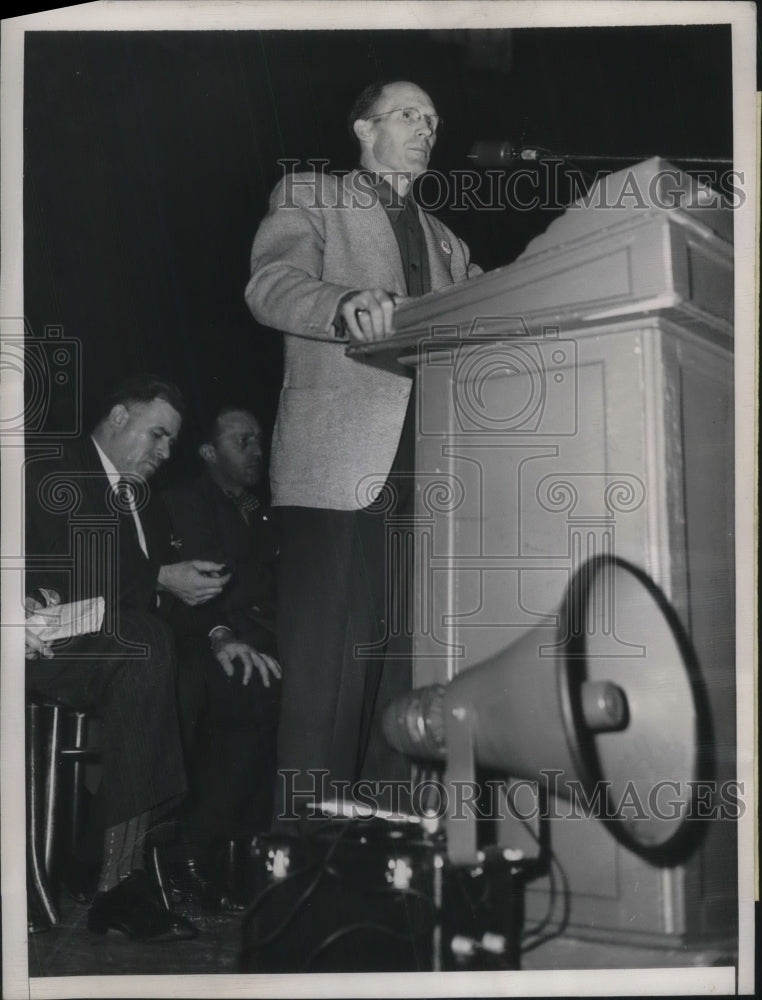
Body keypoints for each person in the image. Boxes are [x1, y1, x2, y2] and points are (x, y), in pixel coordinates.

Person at [245, 80, 482, 822]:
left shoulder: (449, 241)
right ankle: (299, 892)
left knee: (403, 697)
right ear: (362, 127)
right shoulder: (312, 194)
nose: (426, 130)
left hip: (427, 488)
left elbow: (496, 307)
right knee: (325, 694)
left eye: (434, 120)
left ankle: (383, 890)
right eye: (409, 115)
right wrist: (342, 304)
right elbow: (272, 285)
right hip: (337, 477)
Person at [25, 374, 231, 941]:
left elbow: (165, 600)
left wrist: (219, 633)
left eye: (171, 443)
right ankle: (120, 880)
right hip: (44, 640)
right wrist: (163, 577)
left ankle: (120, 852)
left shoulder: (144, 503)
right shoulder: (58, 469)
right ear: (118, 418)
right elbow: (83, 574)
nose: (165, 454)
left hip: (122, 644)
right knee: (147, 647)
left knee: (202, 675)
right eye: (158, 436)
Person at [162, 405, 281, 907]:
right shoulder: (186, 500)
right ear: (209, 452)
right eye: (241, 441)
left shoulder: (261, 507)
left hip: (256, 630)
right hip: (198, 632)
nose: (257, 450)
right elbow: (199, 590)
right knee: (245, 685)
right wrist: (228, 635)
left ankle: (247, 857)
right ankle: (197, 850)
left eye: (258, 439)